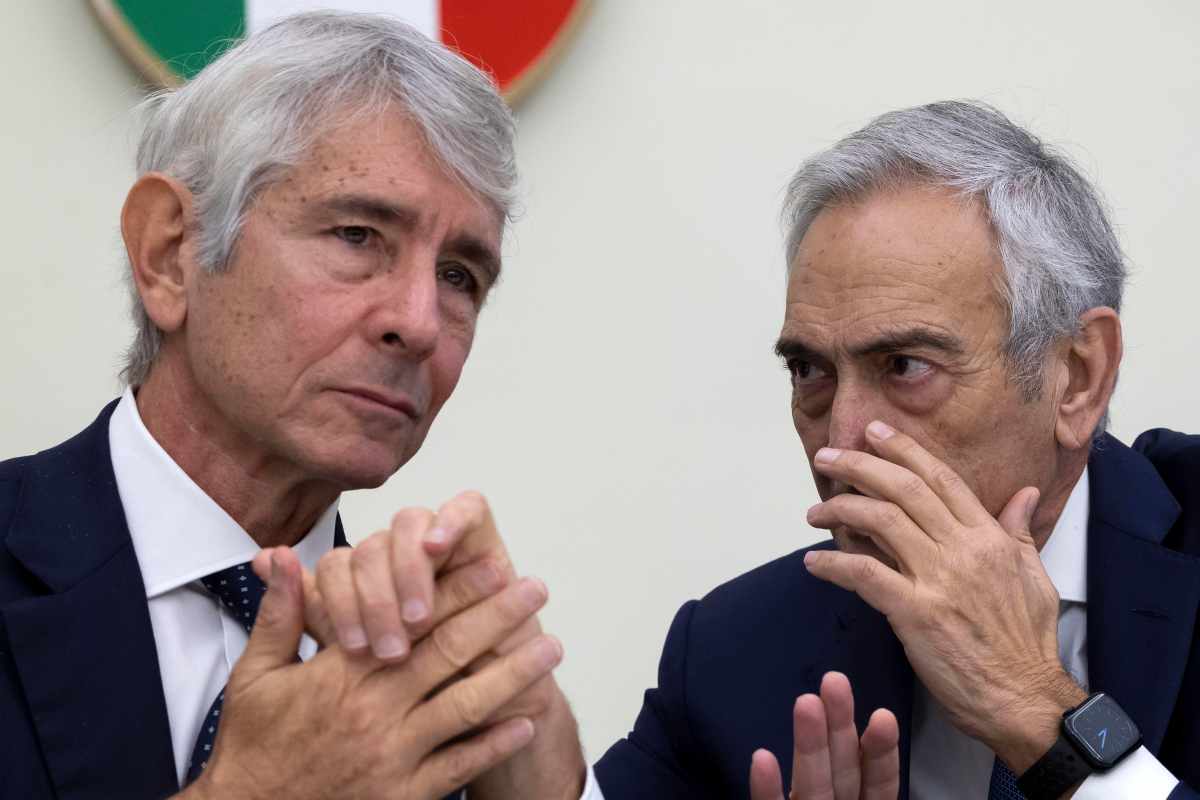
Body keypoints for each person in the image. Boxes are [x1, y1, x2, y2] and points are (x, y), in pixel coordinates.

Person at [319, 101, 1200, 799]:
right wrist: (516, 705)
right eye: (810, 372)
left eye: (906, 367)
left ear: (1078, 377)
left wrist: (1041, 714)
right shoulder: (742, 651)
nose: (841, 441)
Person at [0, 11, 582, 799]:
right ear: (170, 252)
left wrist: (546, 774)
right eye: (358, 235)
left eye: (459, 277)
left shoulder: (445, 680)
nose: (418, 322)